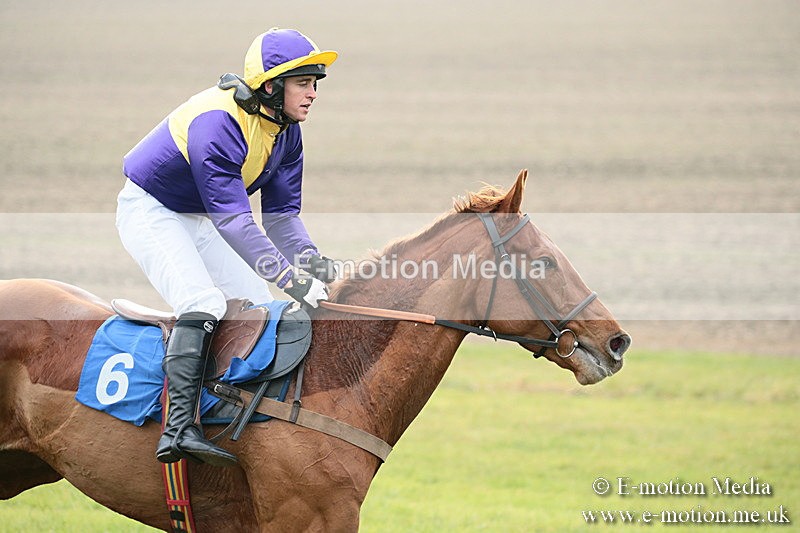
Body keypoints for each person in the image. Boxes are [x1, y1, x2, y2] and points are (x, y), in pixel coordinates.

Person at [115, 28, 338, 467]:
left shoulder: (286, 130)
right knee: (203, 302)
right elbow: (234, 219)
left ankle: (238, 414)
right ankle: (179, 429)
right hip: (152, 210)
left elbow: (281, 217)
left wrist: (313, 261)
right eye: (304, 84)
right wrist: (291, 279)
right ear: (271, 87)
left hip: (200, 217)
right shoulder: (218, 123)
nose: (313, 94)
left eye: (316, 84)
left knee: (257, 306)